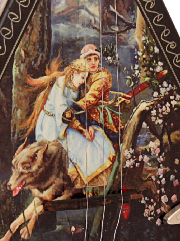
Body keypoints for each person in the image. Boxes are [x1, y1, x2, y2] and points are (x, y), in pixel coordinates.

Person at [21, 58, 115, 188]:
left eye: (85, 78)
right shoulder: (61, 84)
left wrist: (87, 126)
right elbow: (62, 113)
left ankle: (95, 179)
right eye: (82, 77)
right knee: (74, 145)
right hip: (52, 125)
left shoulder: (77, 88)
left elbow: (78, 111)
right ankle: (75, 181)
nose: (83, 81)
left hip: (66, 123)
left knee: (94, 139)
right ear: (74, 73)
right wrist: (81, 130)